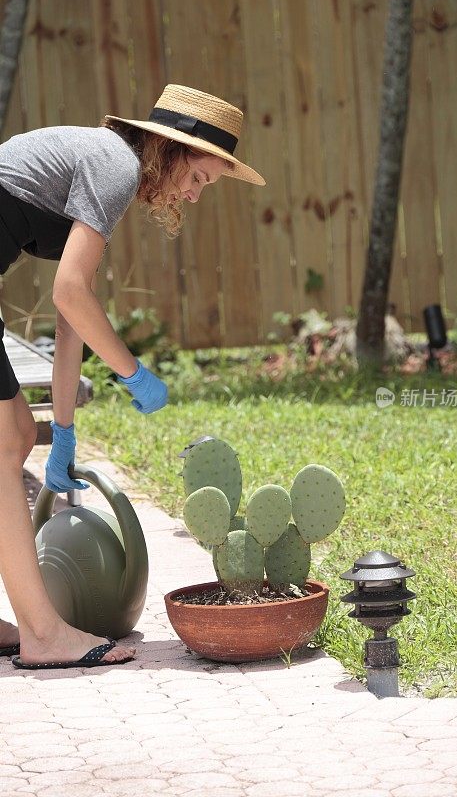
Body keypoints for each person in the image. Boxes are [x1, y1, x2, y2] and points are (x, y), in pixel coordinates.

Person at [0, 84, 265, 670]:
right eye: (199, 178)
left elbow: (73, 314)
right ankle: (43, 635)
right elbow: (69, 291)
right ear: (171, 151)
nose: (195, 195)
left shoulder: (103, 165)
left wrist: (63, 430)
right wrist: (133, 372)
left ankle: (29, 624)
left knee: (15, 434)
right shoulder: (115, 164)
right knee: (4, 442)